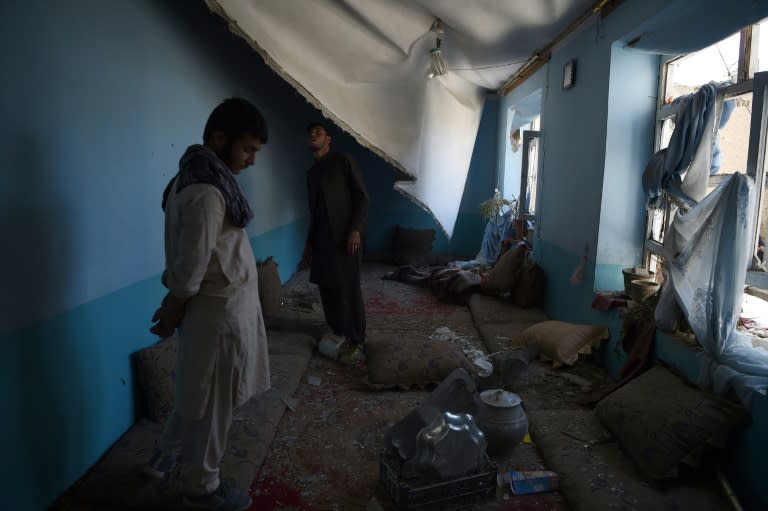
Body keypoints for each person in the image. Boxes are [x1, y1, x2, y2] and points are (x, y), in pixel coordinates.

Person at [145, 98, 270, 511]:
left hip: (218, 310)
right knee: (214, 403)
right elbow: (190, 271)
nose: (251, 160)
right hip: (217, 315)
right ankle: (201, 488)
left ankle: (165, 457)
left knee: (193, 391)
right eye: (247, 149)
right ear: (219, 138)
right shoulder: (207, 192)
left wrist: (173, 308)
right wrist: (171, 312)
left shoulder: (203, 179)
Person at [304, 122, 369, 364]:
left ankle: (357, 339)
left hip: (345, 238)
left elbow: (363, 197)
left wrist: (355, 230)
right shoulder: (311, 174)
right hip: (321, 240)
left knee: (347, 289)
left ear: (329, 139)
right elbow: (314, 212)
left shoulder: (343, 161)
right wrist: (309, 244)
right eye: (310, 132)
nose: (312, 134)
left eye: (318, 131)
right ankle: (337, 332)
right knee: (327, 287)